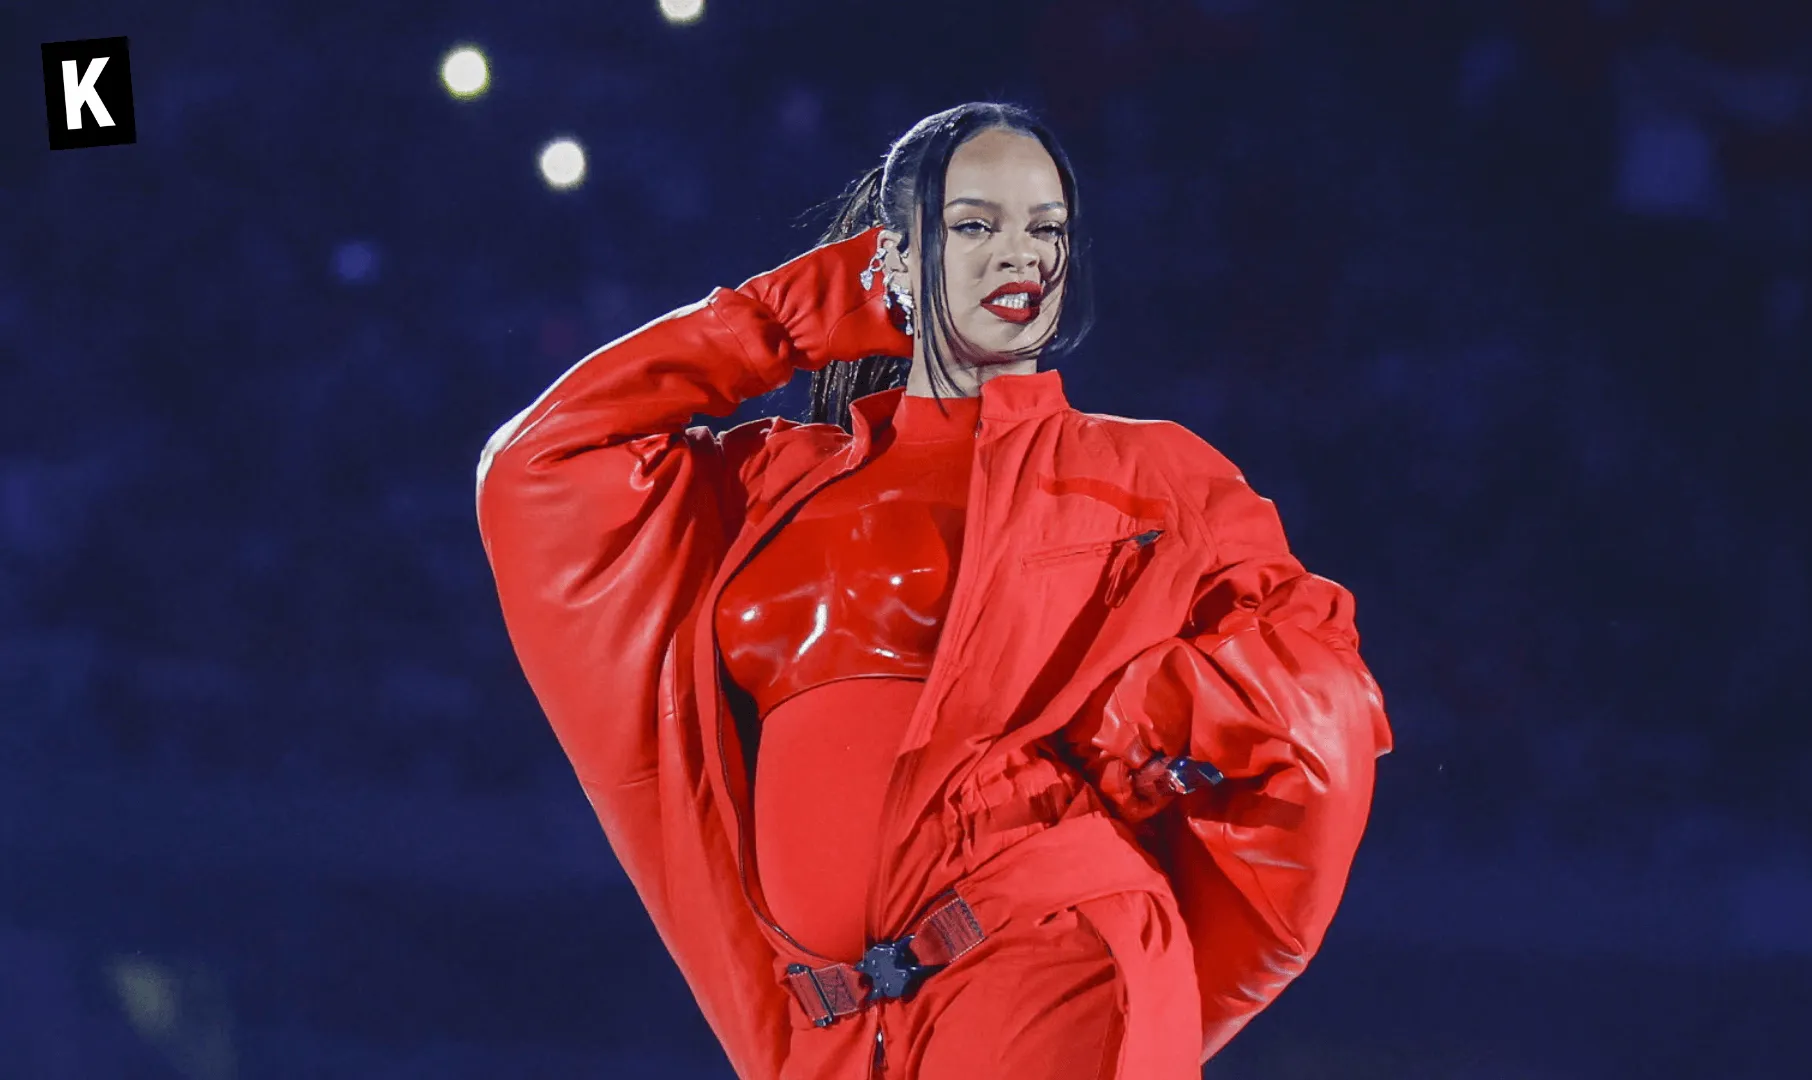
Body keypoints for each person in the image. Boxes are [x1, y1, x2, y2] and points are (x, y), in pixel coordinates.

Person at [476, 101, 1392, 1080]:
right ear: (895, 259)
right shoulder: (764, 482)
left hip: (1052, 969)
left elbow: (1324, 706)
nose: (1021, 256)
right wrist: (787, 320)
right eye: (975, 224)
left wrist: (1172, 704)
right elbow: (541, 465)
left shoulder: (1150, 473)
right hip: (833, 1025)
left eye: (1047, 229)